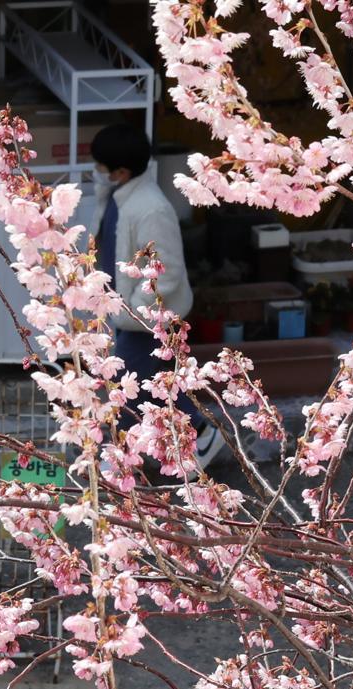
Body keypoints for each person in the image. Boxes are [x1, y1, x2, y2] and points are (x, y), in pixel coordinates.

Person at [90, 124, 224, 473]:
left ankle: (122, 462)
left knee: (128, 390)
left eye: (100, 167)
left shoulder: (150, 208)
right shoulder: (121, 197)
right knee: (157, 388)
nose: (96, 173)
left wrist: (131, 310)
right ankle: (203, 433)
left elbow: (166, 271)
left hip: (145, 318)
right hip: (130, 313)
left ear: (120, 172)